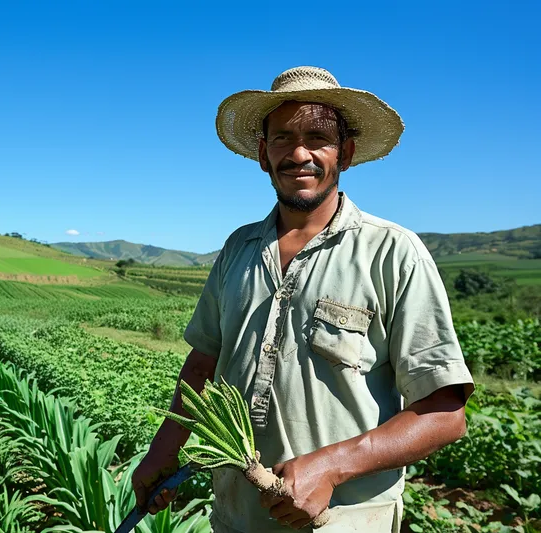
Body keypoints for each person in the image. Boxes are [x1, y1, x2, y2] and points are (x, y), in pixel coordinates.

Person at [131, 66, 475, 532]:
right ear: (261, 153)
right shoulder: (239, 249)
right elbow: (202, 364)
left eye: (318, 138)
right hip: (238, 517)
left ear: (346, 153)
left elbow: (444, 413)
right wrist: (162, 452)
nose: (299, 154)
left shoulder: (392, 252)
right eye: (282, 139)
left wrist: (332, 466)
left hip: (344, 521)